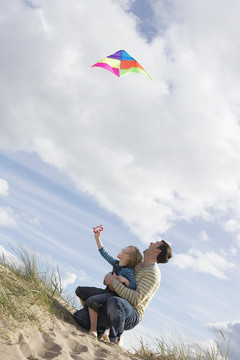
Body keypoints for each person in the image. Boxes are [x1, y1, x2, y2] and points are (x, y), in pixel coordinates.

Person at [73, 238, 172, 344]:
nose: (151, 243)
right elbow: (117, 273)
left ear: (158, 251)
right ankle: (100, 327)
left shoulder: (153, 273)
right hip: (113, 299)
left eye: (155, 243)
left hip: (131, 312)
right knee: (79, 317)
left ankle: (116, 339)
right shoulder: (137, 265)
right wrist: (109, 279)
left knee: (114, 301)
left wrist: (114, 283)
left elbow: (136, 300)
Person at [76, 229, 142, 339]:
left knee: (93, 300)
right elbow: (104, 253)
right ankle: (90, 314)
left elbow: (134, 286)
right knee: (80, 291)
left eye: (125, 250)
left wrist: (125, 281)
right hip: (105, 291)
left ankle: (94, 331)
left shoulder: (128, 271)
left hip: (112, 296)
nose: (122, 249)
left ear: (128, 257)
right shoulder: (116, 263)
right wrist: (98, 238)